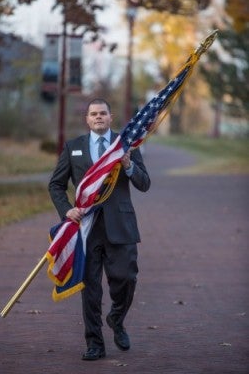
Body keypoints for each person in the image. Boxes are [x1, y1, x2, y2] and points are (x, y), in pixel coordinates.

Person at [48, 98, 151, 361]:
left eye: (102, 113)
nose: (98, 118)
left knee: (126, 279)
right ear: (87, 119)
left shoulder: (125, 144)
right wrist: (66, 210)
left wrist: (128, 165)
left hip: (121, 226)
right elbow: (56, 185)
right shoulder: (73, 147)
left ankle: (116, 318)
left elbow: (144, 183)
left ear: (110, 116)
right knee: (91, 289)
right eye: (93, 114)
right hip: (86, 228)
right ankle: (95, 343)